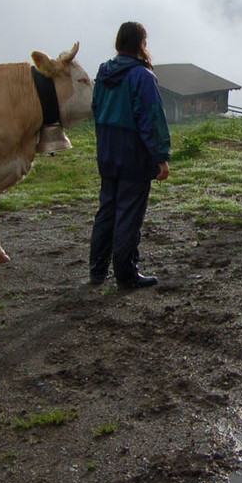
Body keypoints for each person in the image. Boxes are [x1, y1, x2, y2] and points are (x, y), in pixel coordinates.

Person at [89, 21, 172, 290]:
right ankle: (126, 275)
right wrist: (161, 156)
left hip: (107, 151)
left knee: (107, 211)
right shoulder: (142, 76)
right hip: (133, 155)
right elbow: (151, 119)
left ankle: (97, 271)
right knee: (128, 215)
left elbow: (95, 108)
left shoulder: (103, 72)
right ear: (141, 44)